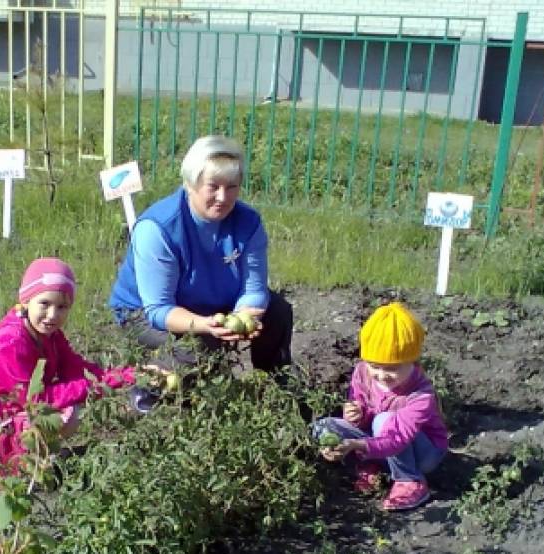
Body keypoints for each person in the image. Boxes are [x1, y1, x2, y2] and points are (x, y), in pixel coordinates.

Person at [108, 134, 292, 409]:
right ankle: (150, 388)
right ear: (191, 183)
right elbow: (158, 309)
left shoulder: (247, 222)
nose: (223, 197)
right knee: (202, 344)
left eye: (232, 187)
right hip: (144, 315)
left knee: (277, 311)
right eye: (213, 186)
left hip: (212, 307)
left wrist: (244, 317)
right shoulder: (159, 228)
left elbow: (254, 290)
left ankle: (274, 389)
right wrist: (208, 326)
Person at [0, 258, 136, 481]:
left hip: (13, 411)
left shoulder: (49, 334)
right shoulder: (10, 341)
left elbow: (75, 368)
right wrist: (90, 386)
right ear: (26, 300)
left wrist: (127, 376)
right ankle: (17, 465)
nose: (52, 315)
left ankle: (33, 459)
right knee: (66, 414)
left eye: (62, 307)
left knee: (71, 402)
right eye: (45, 304)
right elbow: (35, 399)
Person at [312, 302, 448, 511]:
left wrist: (355, 445)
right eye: (375, 366)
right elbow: (363, 413)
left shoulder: (421, 394)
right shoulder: (362, 372)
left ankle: (410, 481)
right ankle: (369, 466)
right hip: (379, 444)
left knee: (384, 420)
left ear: (413, 361)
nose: (382, 375)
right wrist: (356, 414)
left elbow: (395, 439)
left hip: (423, 454)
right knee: (324, 427)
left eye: (392, 368)